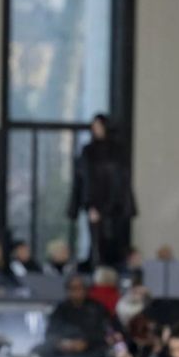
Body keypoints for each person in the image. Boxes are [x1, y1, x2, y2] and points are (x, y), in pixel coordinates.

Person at [67, 113, 137, 269]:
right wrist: (89, 205)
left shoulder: (118, 152)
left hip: (116, 207)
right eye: (94, 127)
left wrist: (119, 205)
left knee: (115, 242)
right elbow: (84, 180)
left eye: (99, 126)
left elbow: (121, 181)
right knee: (97, 242)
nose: (96, 130)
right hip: (95, 206)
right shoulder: (88, 152)